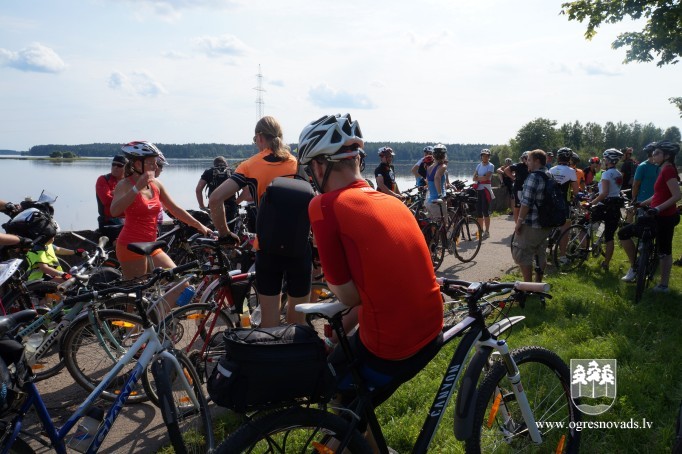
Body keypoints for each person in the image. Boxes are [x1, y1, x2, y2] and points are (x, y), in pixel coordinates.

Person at [298, 113, 443, 439]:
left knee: (334, 388)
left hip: (391, 347)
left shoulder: (323, 205)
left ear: (319, 167)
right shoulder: (393, 203)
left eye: (309, 168)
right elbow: (378, 288)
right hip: (432, 329)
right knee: (353, 385)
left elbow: (349, 296)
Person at [208, 116, 309, 327]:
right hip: (299, 246)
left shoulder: (249, 165)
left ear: (260, 137)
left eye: (255, 140)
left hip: (267, 247)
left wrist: (225, 233)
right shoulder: (298, 164)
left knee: (269, 324)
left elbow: (215, 199)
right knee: (298, 326)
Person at [110, 141, 211, 296]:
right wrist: (137, 188)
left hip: (152, 246)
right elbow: (114, 211)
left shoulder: (156, 184)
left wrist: (200, 226)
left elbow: (175, 209)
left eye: (156, 163)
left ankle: (159, 312)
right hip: (130, 246)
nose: (156, 167)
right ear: (137, 164)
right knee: (137, 297)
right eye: (151, 163)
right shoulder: (125, 185)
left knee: (182, 285)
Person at [619, 141, 681, 292]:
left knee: (664, 251)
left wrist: (658, 208)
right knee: (623, 233)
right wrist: (641, 203)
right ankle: (636, 266)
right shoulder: (663, 169)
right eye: (653, 152)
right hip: (655, 213)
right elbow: (658, 194)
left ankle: (663, 285)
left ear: (667, 155)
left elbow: (677, 195)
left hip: (665, 216)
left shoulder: (668, 170)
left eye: (657, 153)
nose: (654, 155)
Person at [513, 149, 552, 282]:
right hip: (546, 222)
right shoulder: (549, 175)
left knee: (522, 254)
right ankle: (537, 284)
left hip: (532, 223)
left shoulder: (534, 177)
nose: (527, 163)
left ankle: (528, 286)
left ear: (537, 161)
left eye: (529, 160)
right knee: (540, 253)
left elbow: (526, 203)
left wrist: (519, 222)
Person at [588, 149, 624, 271]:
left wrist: (591, 203)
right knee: (609, 237)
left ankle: (584, 250)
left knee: (585, 222)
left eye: (604, 159)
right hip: (615, 206)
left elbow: (604, 193)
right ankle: (606, 263)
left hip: (605, 205)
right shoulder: (618, 173)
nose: (603, 161)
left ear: (609, 160)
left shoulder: (606, 174)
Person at [550, 147, 579, 264]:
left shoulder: (551, 169)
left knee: (548, 226)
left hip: (551, 203)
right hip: (564, 203)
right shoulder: (571, 171)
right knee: (565, 230)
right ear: (569, 159)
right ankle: (562, 256)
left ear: (558, 158)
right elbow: (576, 190)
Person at [196, 156, 239, 225]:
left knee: (214, 227)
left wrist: (202, 206)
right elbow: (246, 190)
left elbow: (198, 190)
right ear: (226, 164)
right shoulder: (233, 172)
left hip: (214, 205)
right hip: (231, 206)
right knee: (231, 227)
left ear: (214, 164)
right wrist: (236, 203)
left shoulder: (208, 172)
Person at [95, 155, 127, 229]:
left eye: (119, 165)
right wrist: (127, 196)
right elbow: (107, 200)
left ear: (126, 168)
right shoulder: (103, 179)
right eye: (113, 164)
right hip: (109, 220)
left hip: (128, 218)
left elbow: (137, 199)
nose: (115, 167)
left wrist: (116, 193)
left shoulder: (129, 181)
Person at [473, 148, 494, 238]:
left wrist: (478, 177)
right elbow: (473, 178)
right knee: (478, 212)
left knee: (485, 211)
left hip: (486, 190)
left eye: (487, 156)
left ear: (489, 157)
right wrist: (481, 177)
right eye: (483, 156)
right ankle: (480, 230)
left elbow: (487, 178)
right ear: (481, 156)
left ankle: (487, 231)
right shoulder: (479, 165)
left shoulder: (491, 166)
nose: (485, 157)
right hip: (478, 189)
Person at [504, 151, 530, 222]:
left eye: (528, 158)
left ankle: (524, 222)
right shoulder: (519, 165)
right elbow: (506, 170)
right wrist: (513, 178)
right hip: (519, 188)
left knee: (527, 206)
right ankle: (516, 223)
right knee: (518, 206)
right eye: (525, 158)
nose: (527, 160)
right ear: (523, 158)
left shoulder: (532, 166)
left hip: (528, 189)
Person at [425, 146, 448, 220]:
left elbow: (428, 182)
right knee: (445, 223)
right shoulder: (442, 166)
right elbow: (437, 178)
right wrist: (440, 194)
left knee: (433, 224)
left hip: (429, 201)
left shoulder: (429, 167)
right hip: (438, 202)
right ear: (444, 155)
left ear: (433, 155)